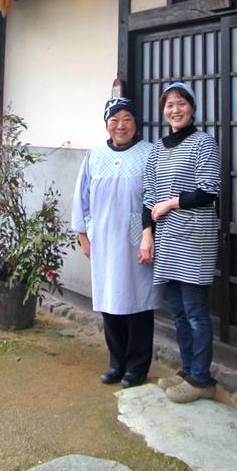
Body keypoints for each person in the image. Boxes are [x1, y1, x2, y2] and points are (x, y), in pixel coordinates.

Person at [140, 81, 221, 403]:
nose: (176, 110)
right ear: (164, 111)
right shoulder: (157, 149)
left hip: (196, 237)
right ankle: (187, 370)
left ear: (192, 108)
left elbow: (209, 189)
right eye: (170, 105)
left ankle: (202, 379)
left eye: (181, 103)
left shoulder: (205, 143)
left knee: (195, 310)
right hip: (167, 239)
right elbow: (147, 196)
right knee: (177, 311)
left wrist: (172, 202)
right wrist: (146, 233)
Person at [72, 97, 160, 388]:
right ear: (107, 124)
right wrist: (83, 234)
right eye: (115, 120)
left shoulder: (149, 152)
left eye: (127, 119)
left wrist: (148, 234)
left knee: (137, 298)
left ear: (136, 124)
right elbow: (80, 197)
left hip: (137, 229)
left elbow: (154, 196)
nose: (120, 126)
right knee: (110, 298)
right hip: (103, 232)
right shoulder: (95, 154)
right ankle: (116, 362)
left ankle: (137, 366)